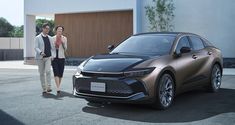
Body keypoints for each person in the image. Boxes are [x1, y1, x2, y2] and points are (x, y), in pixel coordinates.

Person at [34, 23, 54, 95]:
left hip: (48, 57)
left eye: (48, 29)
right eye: (46, 28)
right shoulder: (37, 37)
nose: (48, 30)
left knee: (48, 71)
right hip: (40, 58)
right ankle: (44, 88)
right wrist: (40, 52)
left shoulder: (50, 38)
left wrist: (52, 56)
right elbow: (36, 47)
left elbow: (53, 48)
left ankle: (49, 87)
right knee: (42, 73)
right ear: (43, 28)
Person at [51, 25, 67, 95]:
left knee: (60, 73)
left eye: (61, 30)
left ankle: (58, 86)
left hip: (61, 57)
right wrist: (54, 45)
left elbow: (65, 48)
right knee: (56, 72)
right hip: (54, 57)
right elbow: (51, 48)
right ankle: (58, 87)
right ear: (56, 30)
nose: (60, 31)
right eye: (58, 30)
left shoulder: (64, 38)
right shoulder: (52, 38)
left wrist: (63, 43)